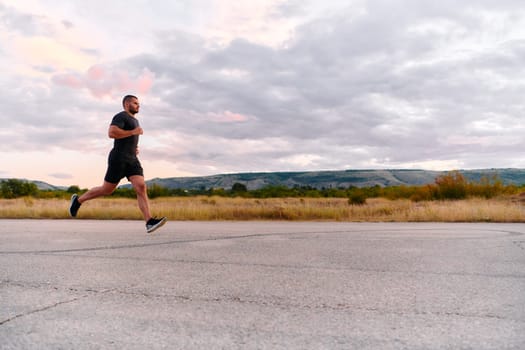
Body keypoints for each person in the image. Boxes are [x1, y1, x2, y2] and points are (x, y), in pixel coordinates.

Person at [69, 95, 167, 233]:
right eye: (135, 103)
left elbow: (127, 138)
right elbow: (112, 132)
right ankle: (78, 201)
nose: (138, 105)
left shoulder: (135, 120)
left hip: (132, 159)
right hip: (118, 158)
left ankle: (149, 221)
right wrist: (133, 132)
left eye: (138, 103)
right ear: (127, 104)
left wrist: (133, 148)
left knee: (141, 186)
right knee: (107, 190)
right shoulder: (121, 116)